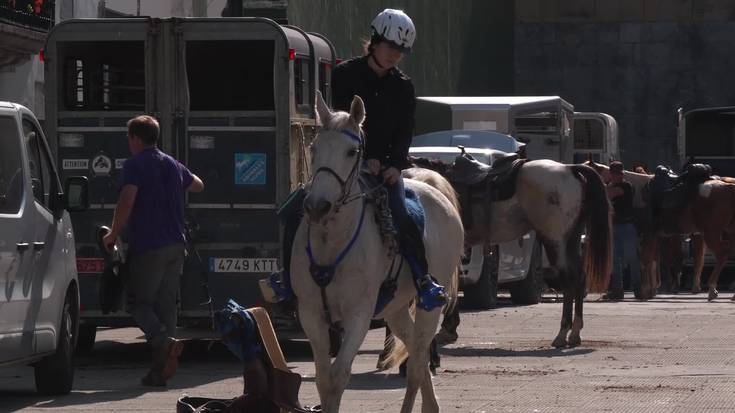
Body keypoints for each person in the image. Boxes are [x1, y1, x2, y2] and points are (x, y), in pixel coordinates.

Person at [267, 8, 446, 311]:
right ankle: (287, 280)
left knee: (405, 217)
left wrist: (393, 164)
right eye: (391, 47)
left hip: (385, 170)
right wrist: (365, 158)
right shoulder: (344, 75)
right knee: (292, 211)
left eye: (401, 51)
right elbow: (336, 124)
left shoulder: (403, 86)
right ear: (375, 41)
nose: (395, 55)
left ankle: (423, 280)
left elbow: (405, 130)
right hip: (341, 165)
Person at [103, 115, 204, 386]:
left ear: (136, 138)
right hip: (176, 245)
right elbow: (198, 184)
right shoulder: (170, 163)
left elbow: (127, 200)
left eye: (128, 137)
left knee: (137, 303)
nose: (128, 142)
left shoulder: (135, 165)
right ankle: (159, 372)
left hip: (149, 246)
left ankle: (163, 341)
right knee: (166, 308)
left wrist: (113, 233)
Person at [603, 161, 641, 300]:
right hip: (615, 226)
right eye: (614, 174)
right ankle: (617, 290)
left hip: (626, 227)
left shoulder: (626, 186)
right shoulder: (611, 185)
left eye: (617, 174)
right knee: (615, 261)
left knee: (632, 258)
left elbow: (611, 194)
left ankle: (638, 288)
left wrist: (601, 186)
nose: (615, 176)